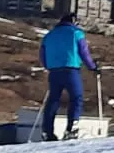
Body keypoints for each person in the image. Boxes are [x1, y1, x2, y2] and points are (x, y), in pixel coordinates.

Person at [39, 12, 99, 141]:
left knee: (53, 99)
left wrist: (48, 66)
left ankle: (47, 130)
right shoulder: (76, 33)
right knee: (76, 98)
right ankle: (71, 128)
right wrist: (92, 67)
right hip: (71, 68)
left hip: (54, 70)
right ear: (73, 21)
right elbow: (83, 52)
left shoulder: (49, 35)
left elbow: (43, 55)